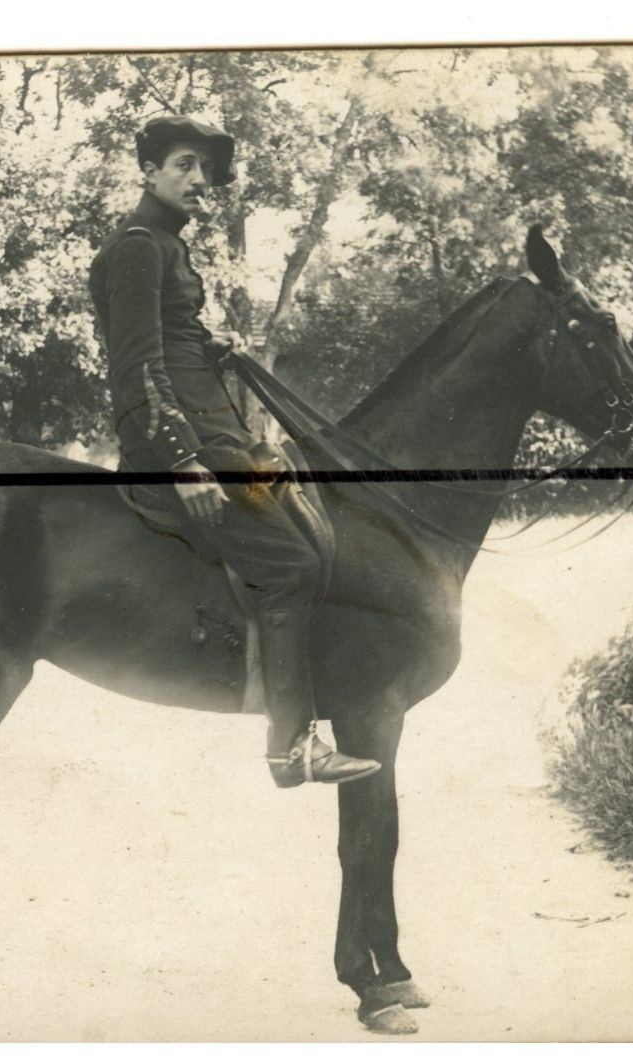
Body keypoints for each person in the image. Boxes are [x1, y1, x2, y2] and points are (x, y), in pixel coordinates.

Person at [87, 115, 380, 788]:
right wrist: (182, 459)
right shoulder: (137, 246)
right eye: (184, 165)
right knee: (291, 561)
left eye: (204, 171)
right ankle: (290, 746)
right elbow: (135, 364)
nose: (199, 181)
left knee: (309, 519)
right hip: (186, 449)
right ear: (149, 171)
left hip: (219, 438)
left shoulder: (163, 244)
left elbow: (170, 337)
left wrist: (212, 346)